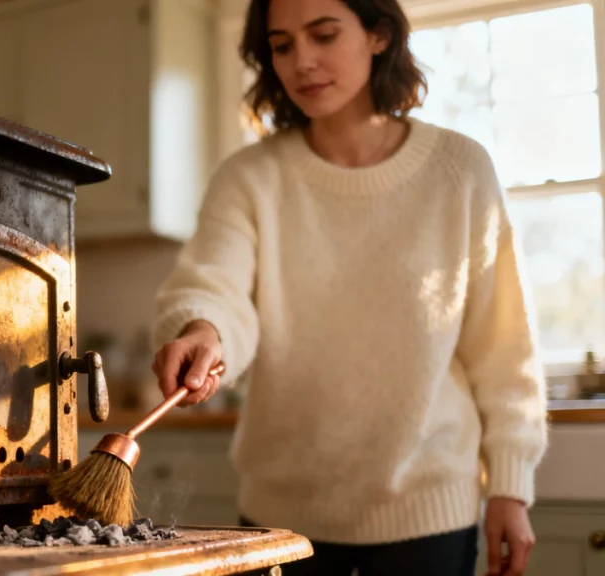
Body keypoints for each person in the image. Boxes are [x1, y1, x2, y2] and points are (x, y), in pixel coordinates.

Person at [149, 0, 547, 574]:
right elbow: (217, 285)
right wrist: (204, 331)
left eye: (324, 35)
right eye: (282, 45)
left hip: (429, 512)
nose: (302, 61)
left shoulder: (460, 171)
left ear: (379, 35)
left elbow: (504, 348)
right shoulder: (249, 178)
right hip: (280, 517)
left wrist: (511, 485)